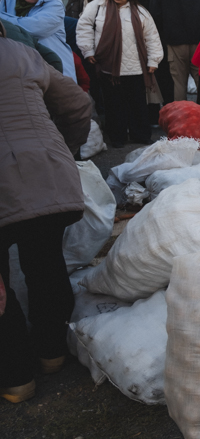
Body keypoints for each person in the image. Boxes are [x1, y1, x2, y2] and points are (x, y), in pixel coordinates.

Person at [0, 36, 92, 404]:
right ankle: (52, 353)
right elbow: (78, 104)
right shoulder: (22, 53)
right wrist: (63, 151)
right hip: (45, 177)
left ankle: (16, 377)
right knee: (45, 264)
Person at [77, 0, 163, 147]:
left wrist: (153, 60)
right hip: (108, 66)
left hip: (135, 67)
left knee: (137, 104)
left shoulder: (140, 12)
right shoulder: (97, 7)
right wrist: (88, 50)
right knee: (113, 105)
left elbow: (151, 37)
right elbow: (83, 26)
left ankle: (140, 135)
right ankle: (117, 137)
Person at [0, 0, 76, 81]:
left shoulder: (54, 4)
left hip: (55, 70)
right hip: (19, 69)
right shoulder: (7, 0)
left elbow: (33, 29)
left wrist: (3, 20)